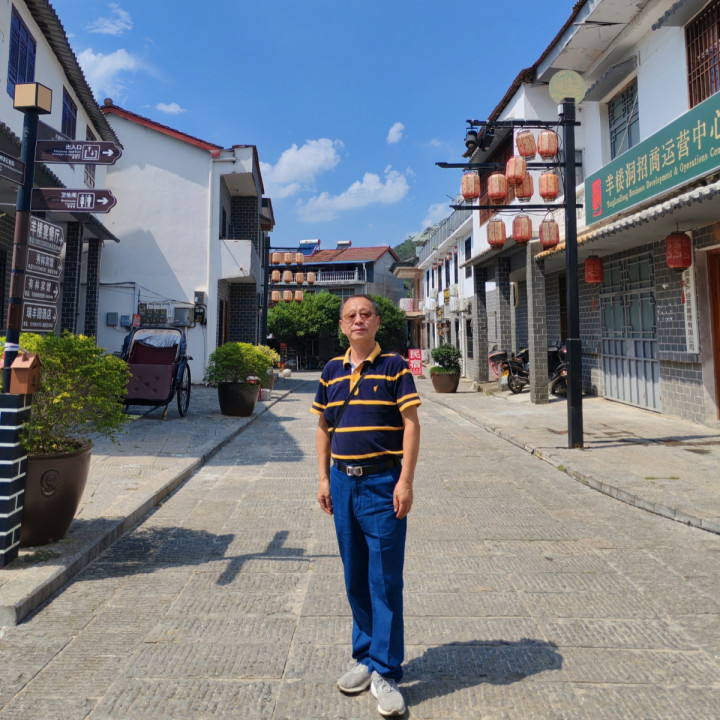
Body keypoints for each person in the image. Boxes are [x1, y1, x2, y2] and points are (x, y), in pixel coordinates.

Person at [311, 294, 420, 717]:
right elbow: (323, 426)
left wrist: (405, 481)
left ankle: (386, 671)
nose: (358, 320)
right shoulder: (331, 371)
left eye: (365, 314)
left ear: (377, 322)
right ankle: (365, 656)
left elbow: (411, 425)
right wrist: (324, 477)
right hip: (342, 482)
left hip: (382, 483)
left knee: (385, 579)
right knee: (355, 574)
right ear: (342, 326)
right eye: (351, 315)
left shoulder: (394, 367)